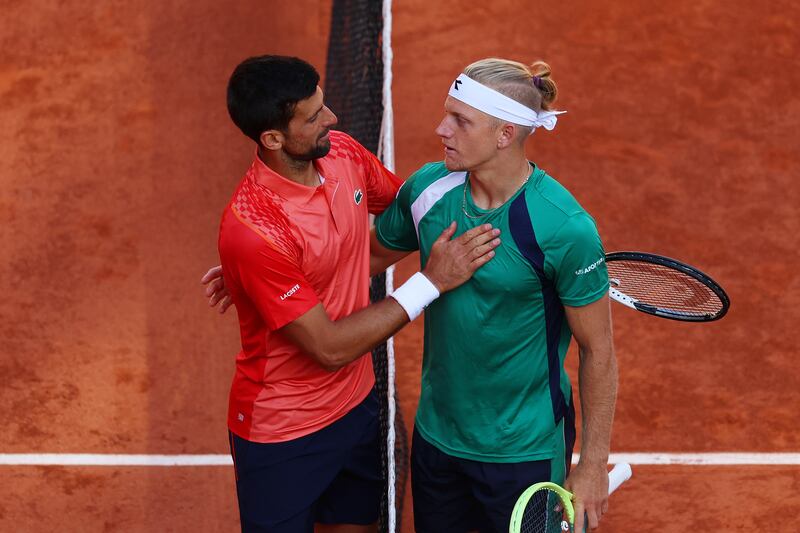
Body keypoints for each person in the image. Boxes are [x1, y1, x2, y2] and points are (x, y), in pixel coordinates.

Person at [210, 54, 500, 533]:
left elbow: (412, 214)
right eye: (314, 116)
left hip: (357, 406)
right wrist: (431, 282)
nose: (333, 119)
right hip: (283, 432)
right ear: (273, 139)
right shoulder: (254, 231)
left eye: (323, 106)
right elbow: (328, 348)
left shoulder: (341, 153)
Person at [371, 58, 618, 533]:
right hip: (437, 439)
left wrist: (591, 466)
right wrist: (269, 266)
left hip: (523, 454)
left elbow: (598, 351)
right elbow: (363, 259)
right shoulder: (427, 190)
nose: (442, 129)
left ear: (505, 134)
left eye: (461, 121)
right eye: (448, 114)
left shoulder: (563, 228)